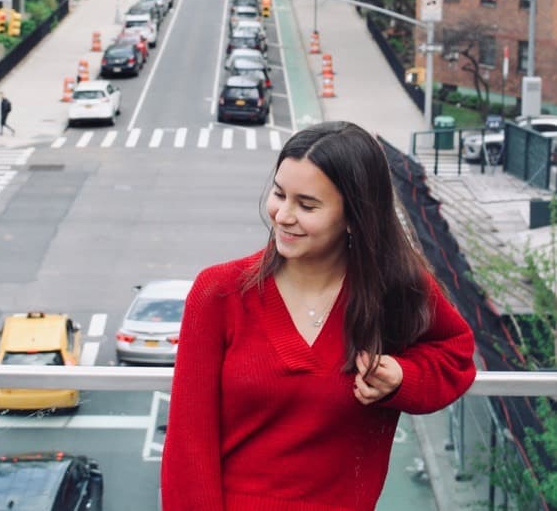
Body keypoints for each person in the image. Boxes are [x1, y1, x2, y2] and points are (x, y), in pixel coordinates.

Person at [161, 121, 476, 511]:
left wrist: (402, 378)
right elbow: (188, 445)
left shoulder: (393, 289)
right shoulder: (219, 293)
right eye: (279, 194)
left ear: (354, 216)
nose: (282, 215)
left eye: (307, 205)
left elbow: (456, 353)